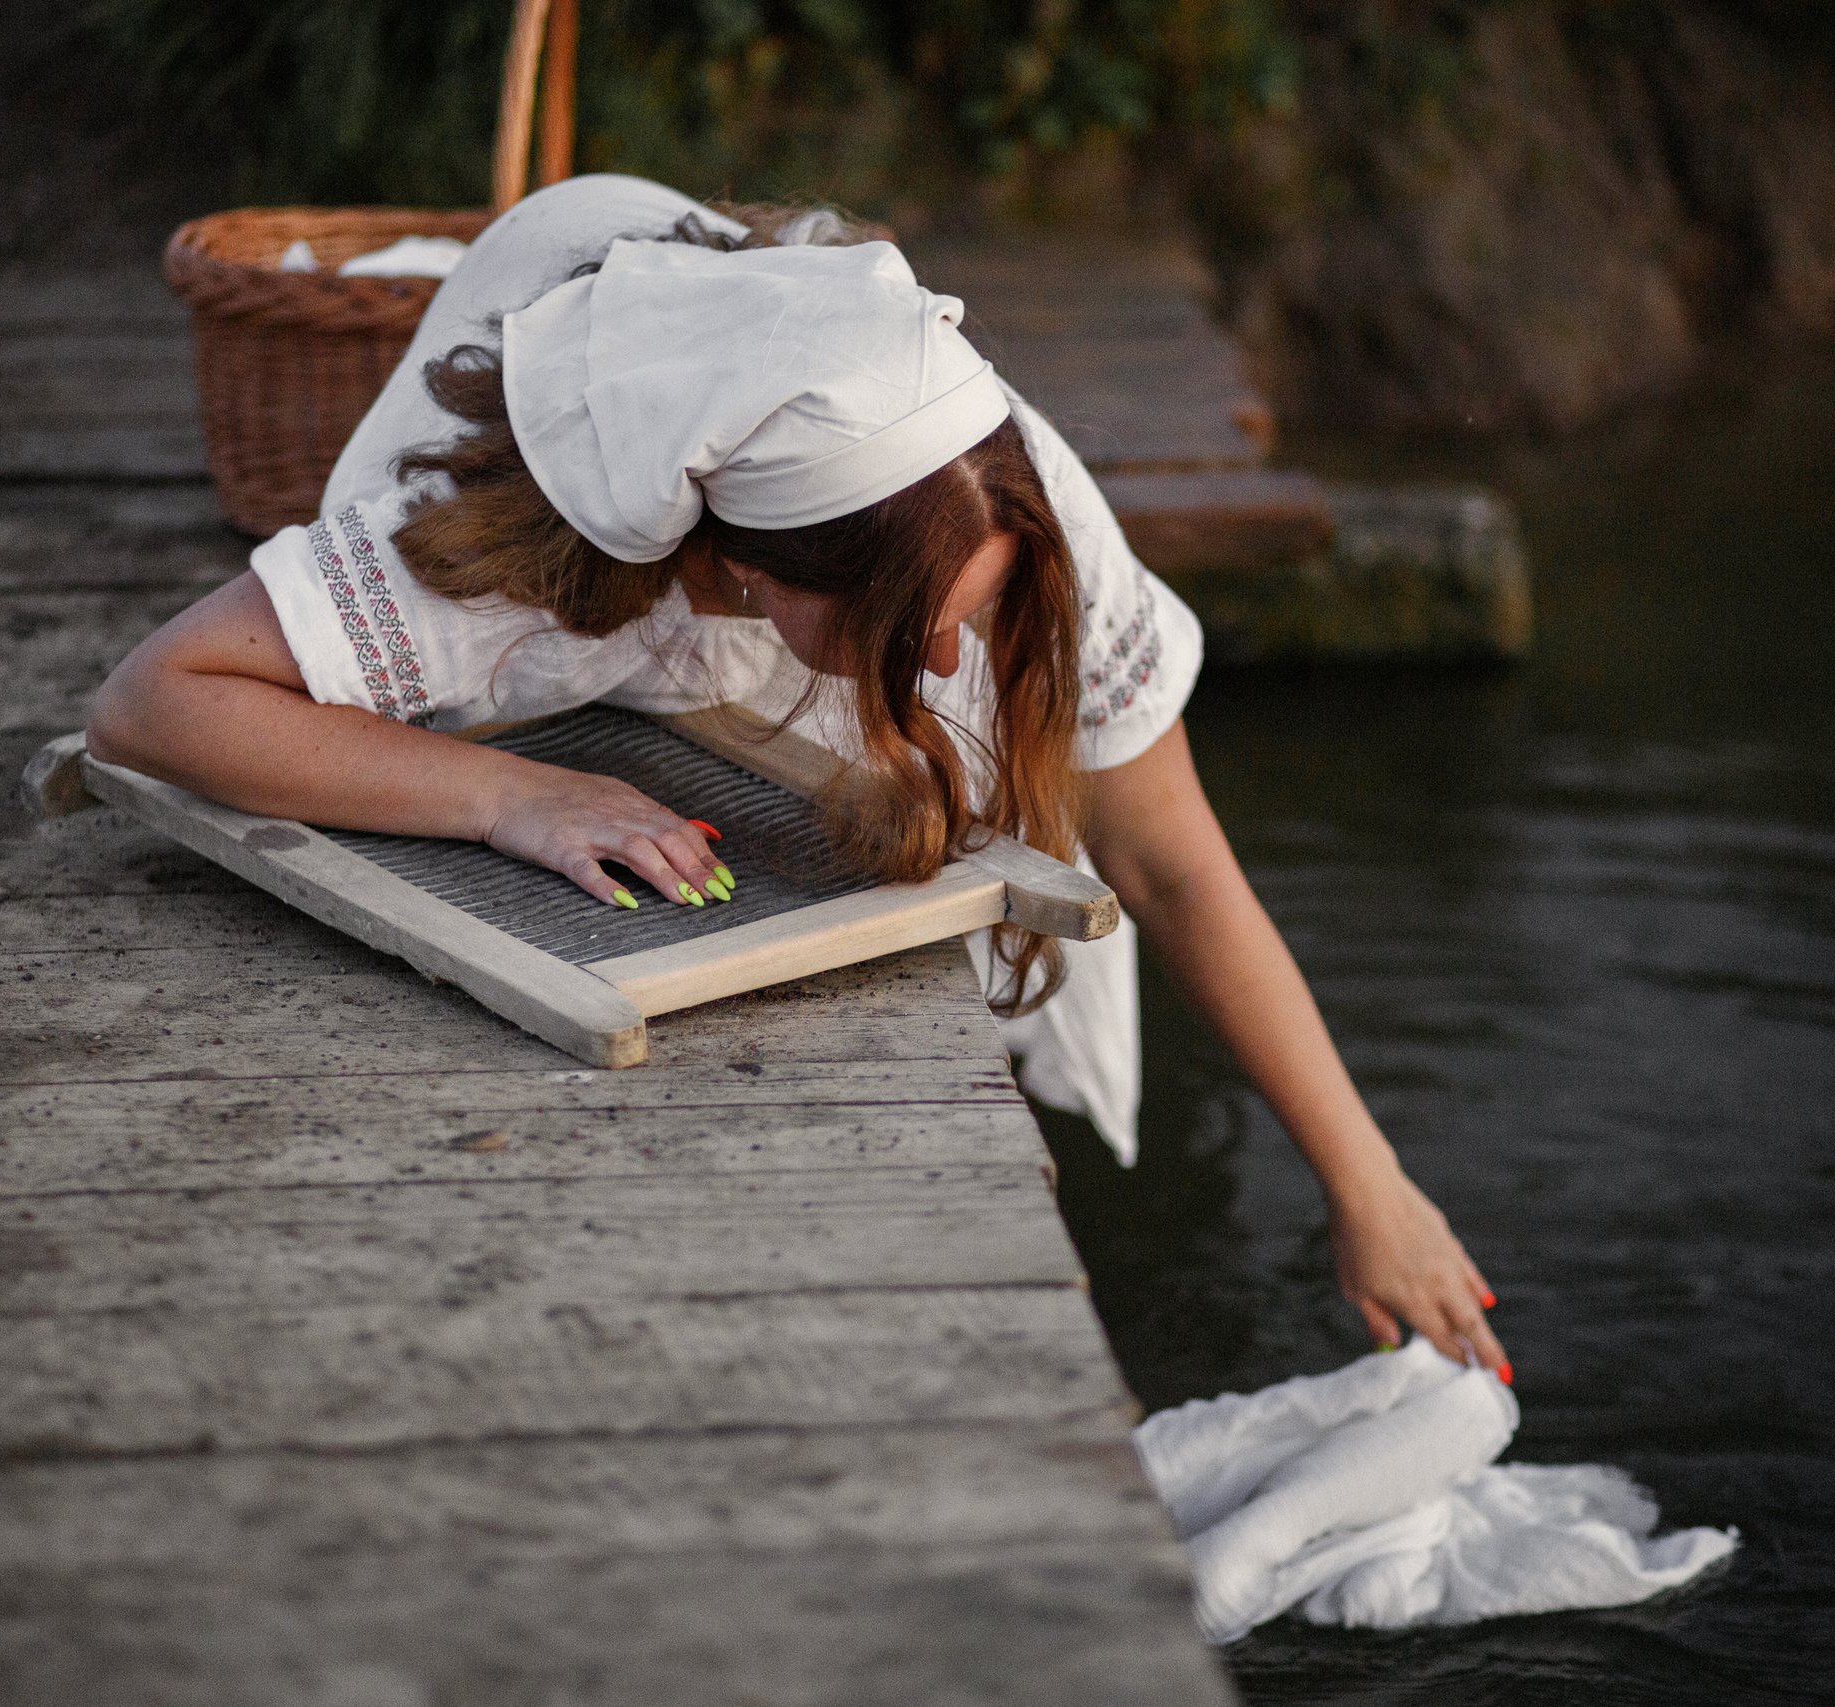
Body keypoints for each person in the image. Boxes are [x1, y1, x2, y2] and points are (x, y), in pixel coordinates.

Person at [89, 175, 1509, 1376]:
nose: (953, 658)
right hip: (583, 452)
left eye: (970, 617)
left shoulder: (1008, 507)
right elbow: (153, 702)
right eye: (914, 634)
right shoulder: (514, 555)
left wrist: (1367, 1182)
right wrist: (514, 795)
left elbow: (1170, 859)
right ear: (756, 576)